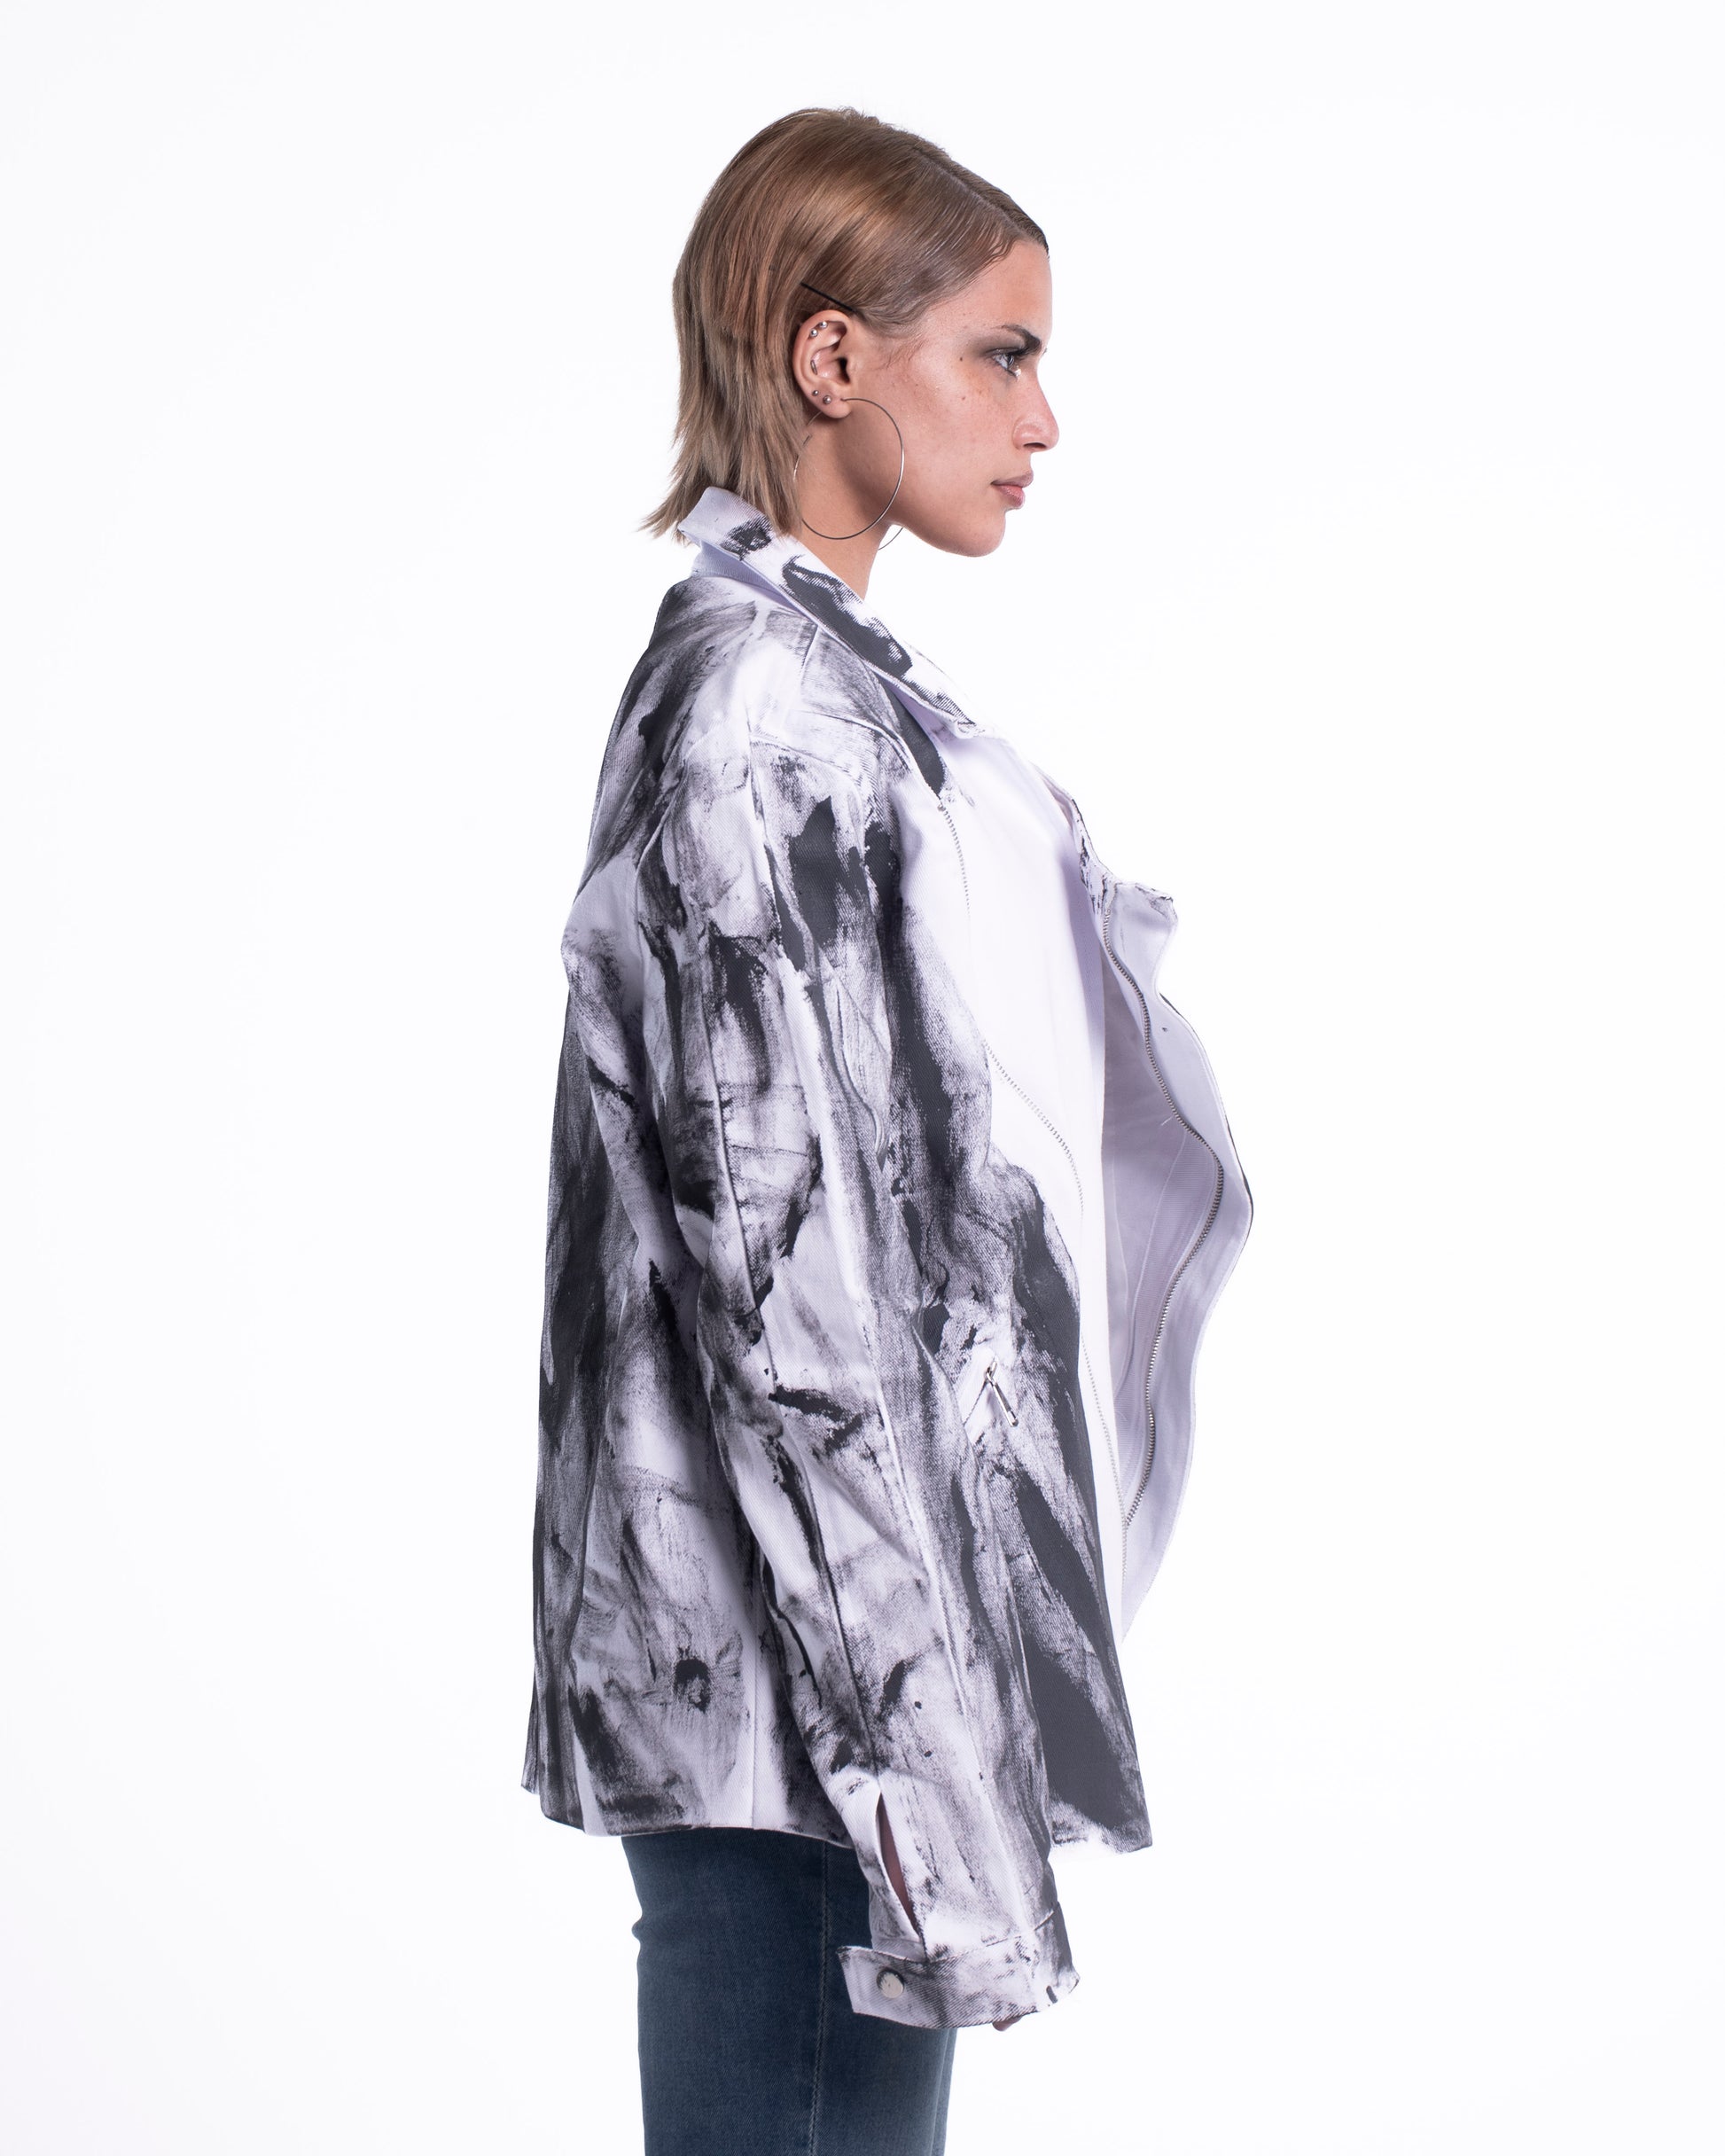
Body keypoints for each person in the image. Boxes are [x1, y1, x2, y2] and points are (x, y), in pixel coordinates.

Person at [521, 106, 1252, 2156]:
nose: (1042, 417)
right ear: (833, 358)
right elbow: (791, 1291)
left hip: (818, 1664)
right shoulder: (763, 721)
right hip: (801, 1678)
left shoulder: (822, 692)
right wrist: (917, 1730)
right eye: (1000, 354)